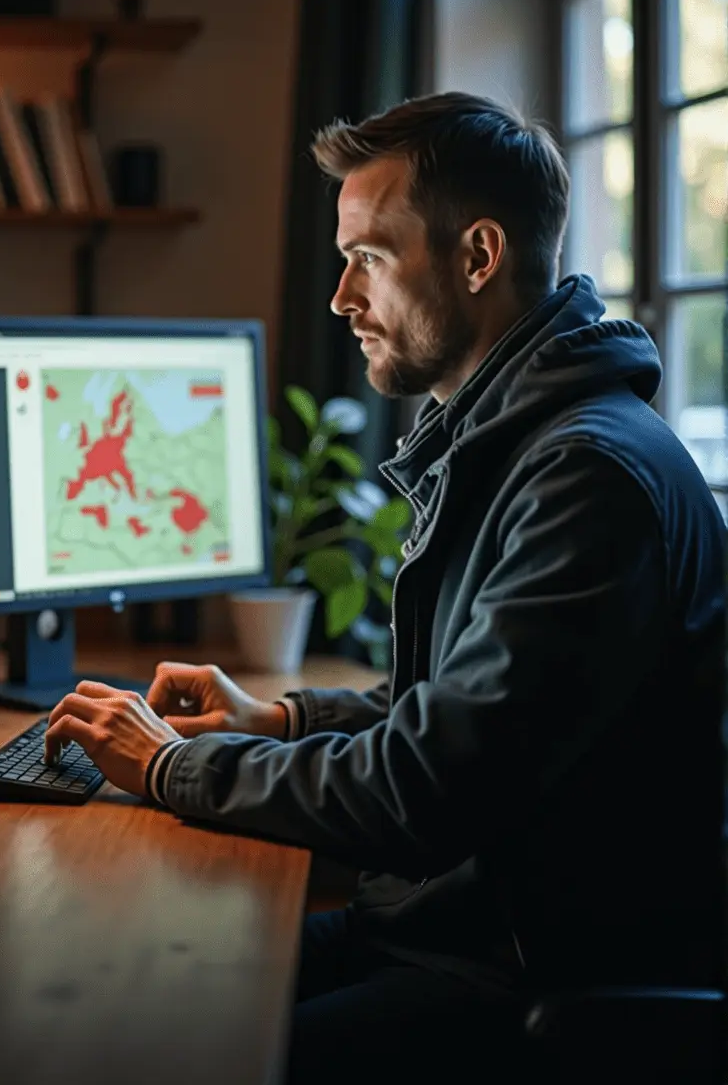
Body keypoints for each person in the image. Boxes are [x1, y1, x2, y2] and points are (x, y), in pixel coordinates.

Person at [44, 92, 726, 1082]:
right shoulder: (521, 443)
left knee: (153, 1045)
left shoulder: (587, 478)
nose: (340, 297)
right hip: (459, 935)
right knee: (126, 985)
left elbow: (427, 789)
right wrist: (278, 719)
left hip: (528, 983)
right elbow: (465, 711)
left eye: (368, 256)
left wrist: (165, 768)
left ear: (477, 256)